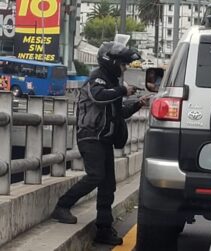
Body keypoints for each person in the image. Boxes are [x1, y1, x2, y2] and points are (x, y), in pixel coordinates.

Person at [51, 40, 149, 246]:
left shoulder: (112, 83)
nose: (123, 68)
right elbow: (98, 97)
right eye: (122, 64)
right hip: (90, 135)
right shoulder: (97, 79)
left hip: (103, 138)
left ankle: (104, 228)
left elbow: (118, 112)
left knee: (108, 185)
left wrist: (138, 104)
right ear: (111, 61)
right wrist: (123, 91)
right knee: (96, 176)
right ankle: (62, 206)